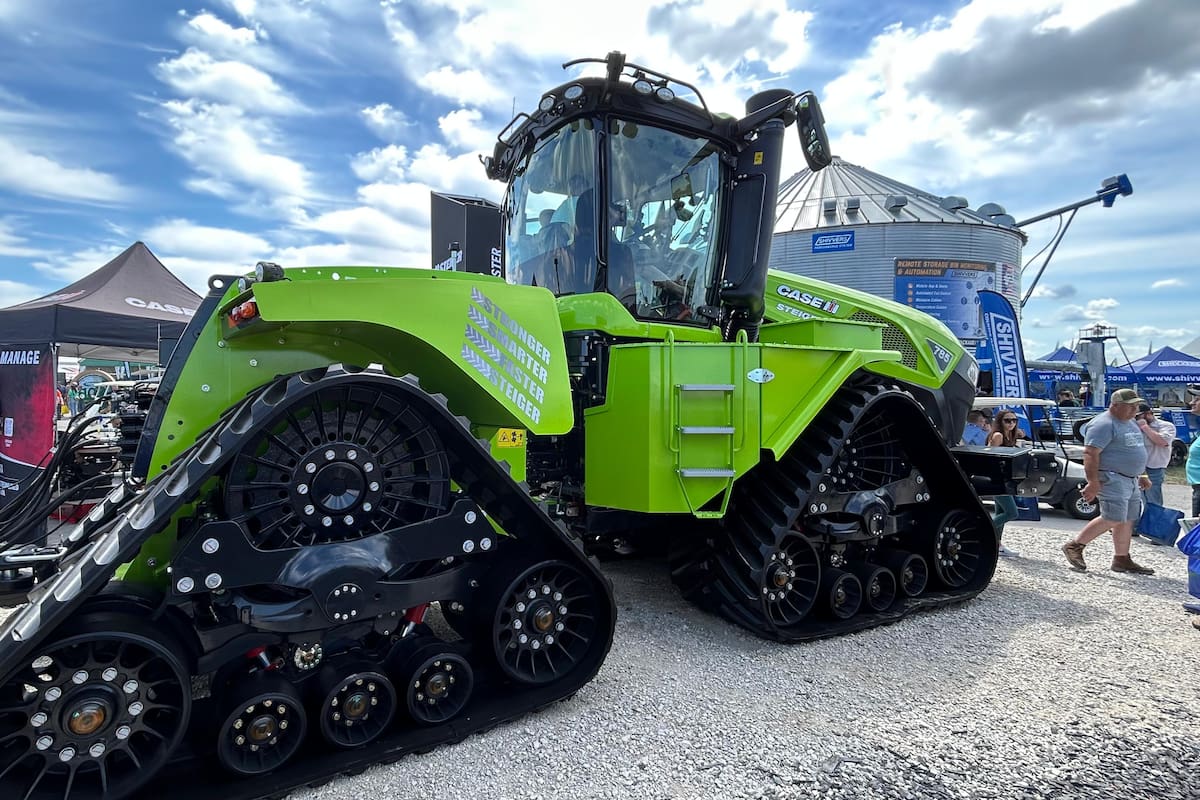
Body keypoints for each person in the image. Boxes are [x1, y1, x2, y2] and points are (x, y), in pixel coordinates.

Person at [1061, 388, 1154, 574]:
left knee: (1127, 518)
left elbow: (1135, 448)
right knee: (1112, 516)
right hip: (1112, 476)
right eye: (1131, 406)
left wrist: (1142, 473)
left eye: (1136, 406)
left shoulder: (1130, 422)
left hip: (1130, 478)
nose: (1135, 409)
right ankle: (1075, 545)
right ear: (1116, 405)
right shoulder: (1103, 424)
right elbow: (1090, 453)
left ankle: (1122, 558)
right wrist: (1093, 482)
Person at [1134, 403, 1175, 537]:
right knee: (1135, 499)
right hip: (1137, 467)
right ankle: (1133, 528)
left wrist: (1145, 427)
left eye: (1138, 416)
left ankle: (1154, 532)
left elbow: (1162, 441)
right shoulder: (1134, 427)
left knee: (1154, 501)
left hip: (1154, 468)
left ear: (1148, 413)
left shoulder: (1166, 426)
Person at [986, 411, 1022, 558]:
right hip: (998, 480)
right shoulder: (998, 436)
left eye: (1014, 420)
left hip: (1005, 479)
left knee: (1001, 512)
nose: (1011, 423)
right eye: (1007, 420)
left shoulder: (1009, 436)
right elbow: (990, 458)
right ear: (1000, 421)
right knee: (1011, 512)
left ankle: (997, 545)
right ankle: (983, 530)